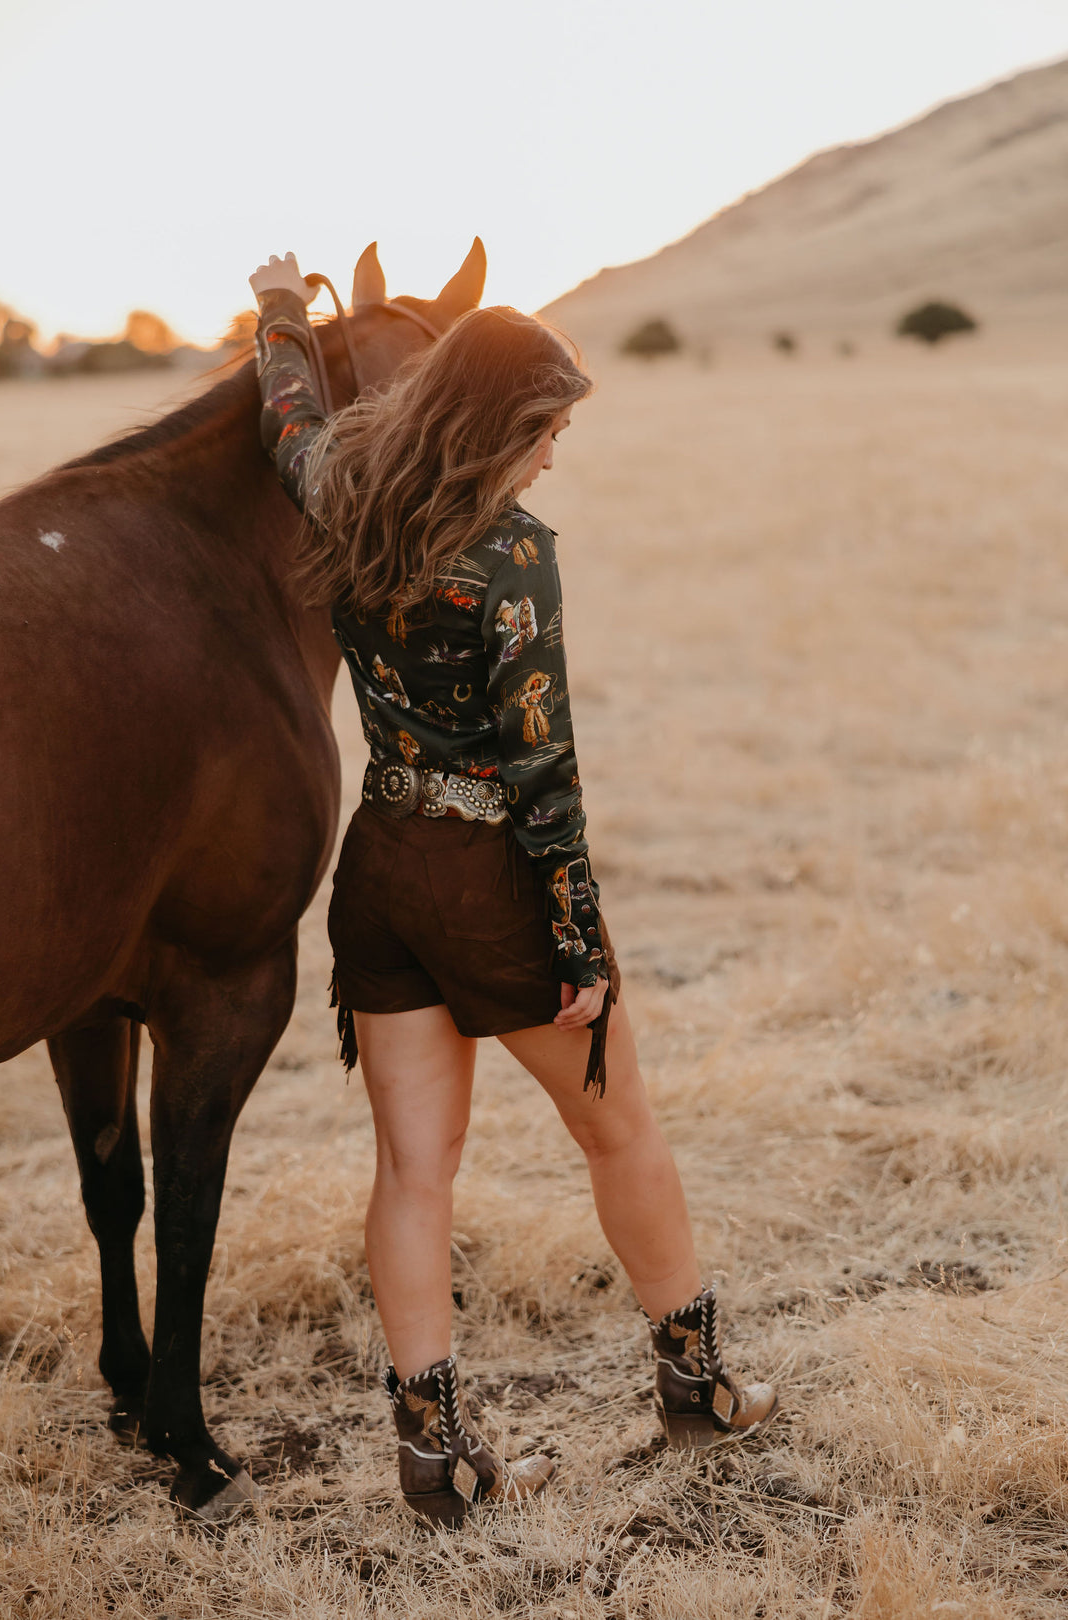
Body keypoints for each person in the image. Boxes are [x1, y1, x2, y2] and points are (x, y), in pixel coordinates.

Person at [248, 252, 778, 1527]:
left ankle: (436, 1465)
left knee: (411, 1172)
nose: (552, 459)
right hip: (490, 881)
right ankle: (695, 1388)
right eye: (546, 432)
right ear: (500, 426)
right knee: (622, 1126)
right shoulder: (512, 556)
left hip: (378, 871)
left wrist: (280, 312)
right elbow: (543, 771)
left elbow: (292, 419)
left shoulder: (342, 493)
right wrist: (582, 943)